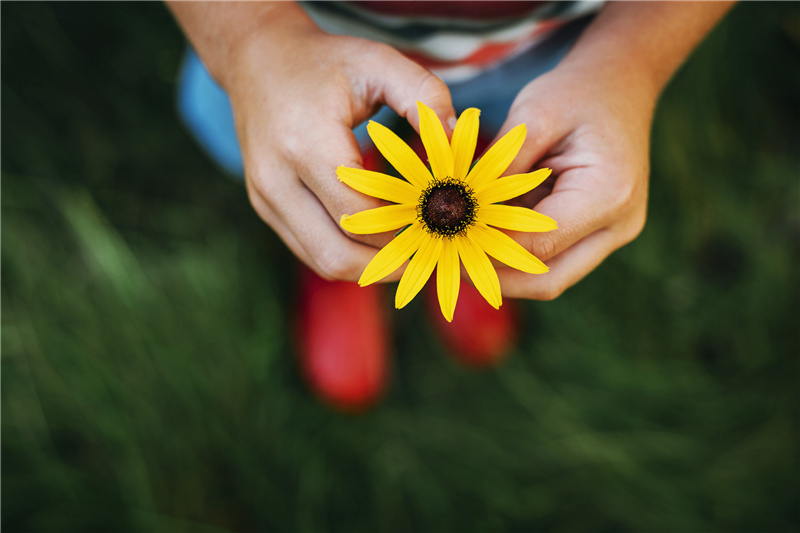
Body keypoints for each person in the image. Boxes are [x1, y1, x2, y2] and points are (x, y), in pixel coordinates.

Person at [168, 1, 733, 411]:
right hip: (295, 43)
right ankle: (341, 249)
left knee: (512, 135)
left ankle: (463, 261)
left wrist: (631, 59)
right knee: (317, 169)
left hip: (557, 46)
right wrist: (250, 42)